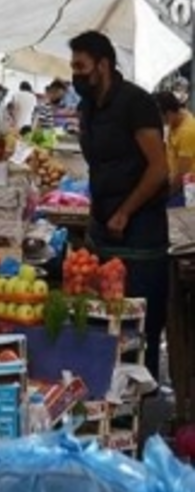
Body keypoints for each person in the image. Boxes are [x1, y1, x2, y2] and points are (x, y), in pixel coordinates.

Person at [71, 31, 170, 379]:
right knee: (101, 319)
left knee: (137, 325)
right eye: (73, 66)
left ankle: (140, 413)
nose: (76, 74)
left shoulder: (136, 103)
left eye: (81, 66)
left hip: (140, 231)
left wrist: (126, 211)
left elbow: (160, 168)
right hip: (103, 229)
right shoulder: (87, 108)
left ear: (103, 65)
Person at [156, 91, 195, 200]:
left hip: (186, 188)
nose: (160, 122)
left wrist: (167, 195)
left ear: (168, 113)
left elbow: (182, 173)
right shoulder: (177, 120)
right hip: (176, 181)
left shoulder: (187, 131)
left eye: (160, 117)